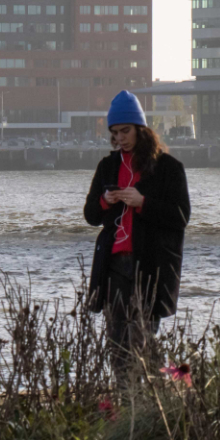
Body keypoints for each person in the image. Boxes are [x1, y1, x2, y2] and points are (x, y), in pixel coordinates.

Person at [83, 90, 190, 374]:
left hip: (150, 265)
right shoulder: (107, 166)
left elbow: (181, 216)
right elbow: (90, 215)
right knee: (117, 345)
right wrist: (106, 201)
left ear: (141, 129)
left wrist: (143, 203)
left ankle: (156, 397)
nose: (120, 138)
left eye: (125, 131)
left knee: (142, 341)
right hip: (114, 267)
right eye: (115, 133)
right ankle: (125, 406)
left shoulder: (168, 168)